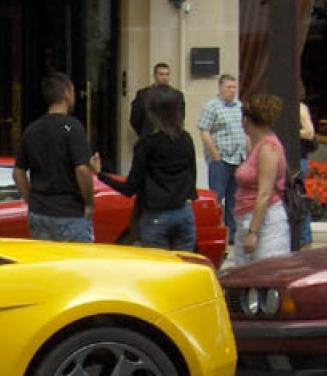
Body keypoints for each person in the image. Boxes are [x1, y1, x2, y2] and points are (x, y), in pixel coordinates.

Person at [96, 87, 198, 251]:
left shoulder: (146, 145)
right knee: (183, 267)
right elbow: (192, 176)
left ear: (152, 114)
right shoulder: (186, 139)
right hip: (183, 212)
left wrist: (101, 175)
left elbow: (129, 188)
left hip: (157, 214)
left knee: (159, 269)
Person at [12, 71, 95, 243]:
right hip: (69, 212)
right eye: (72, 92)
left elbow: (18, 173)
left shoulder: (31, 130)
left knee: (48, 266)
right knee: (76, 265)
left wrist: (31, 199)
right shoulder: (73, 127)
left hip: (39, 212)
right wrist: (89, 202)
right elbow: (81, 169)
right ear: (66, 93)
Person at [231, 94, 292, 266]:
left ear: (246, 120)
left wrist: (253, 231)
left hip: (266, 222)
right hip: (246, 217)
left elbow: (264, 193)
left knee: (264, 271)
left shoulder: (268, 149)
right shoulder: (257, 145)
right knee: (244, 275)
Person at [197, 73, 245, 245]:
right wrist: (215, 154)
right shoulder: (212, 107)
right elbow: (204, 130)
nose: (232, 91)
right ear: (220, 88)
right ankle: (215, 233)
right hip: (221, 160)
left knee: (234, 198)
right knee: (217, 198)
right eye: (228, 88)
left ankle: (232, 234)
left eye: (234, 87)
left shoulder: (239, 106)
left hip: (238, 159)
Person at [129, 62, 183, 139]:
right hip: (149, 136)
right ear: (155, 75)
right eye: (161, 74)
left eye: (167, 74)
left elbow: (180, 116)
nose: (164, 77)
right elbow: (135, 118)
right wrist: (143, 132)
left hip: (172, 137)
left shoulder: (178, 95)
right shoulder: (143, 94)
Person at [298, 94, 316, 249]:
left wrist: (289, 132)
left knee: (299, 198)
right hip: (281, 156)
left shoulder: (300, 108)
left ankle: (305, 237)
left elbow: (309, 133)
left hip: (298, 159)